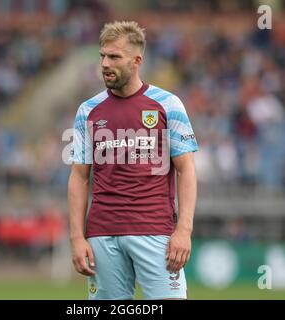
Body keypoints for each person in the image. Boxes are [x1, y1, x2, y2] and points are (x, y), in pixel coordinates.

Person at [67, 21, 198, 300]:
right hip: (103, 235)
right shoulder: (87, 111)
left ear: (136, 61)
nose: (104, 63)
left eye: (114, 57)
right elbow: (79, 176)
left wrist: (184, 230)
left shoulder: (167, 105)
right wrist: (77, 238)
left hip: (155, 233)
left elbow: (186, 170)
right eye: (102, 55)